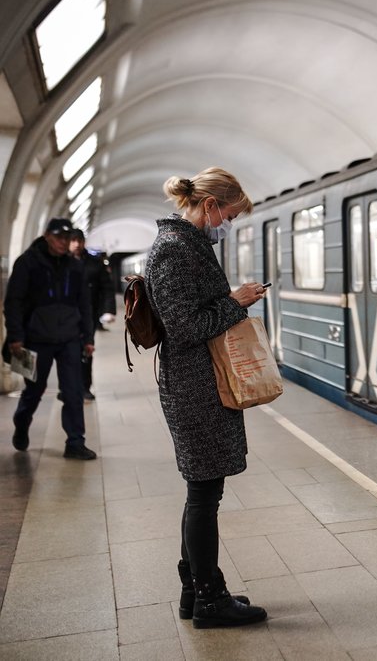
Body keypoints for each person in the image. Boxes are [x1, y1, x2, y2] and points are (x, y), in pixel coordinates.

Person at [144, 167, 267, 629]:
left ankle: (195, 592)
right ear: (210, 206)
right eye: (230, 215)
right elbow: (185, 328)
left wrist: (232, 301)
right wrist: (236, 302)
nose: (228, 224)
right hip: (195, 386)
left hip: (201, 382)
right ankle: (209, 600)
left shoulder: (187, 246)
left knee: (203, 490)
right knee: (203, 494)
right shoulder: (175, 251)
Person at [4, 218, 96, 459]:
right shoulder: (27, 263)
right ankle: (21, 422)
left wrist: (88, 337)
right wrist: (15, 336)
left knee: (74, 391)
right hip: (36, 339)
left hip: (69, 339)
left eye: (67, 238)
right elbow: (13, 302)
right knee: (34, 389)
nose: (64, 243)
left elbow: (84, 304)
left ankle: (75, 442)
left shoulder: (75, 267)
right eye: (59, 237)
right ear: (47, 236)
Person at [69, 229, 116, 400]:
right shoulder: (60, 262)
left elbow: (107, 288)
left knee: (86, 350)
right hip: (65, 317)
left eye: (79, 241)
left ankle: (84, 387)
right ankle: (69, 386)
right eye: (73, 240)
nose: (76, 244)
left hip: (88, 315)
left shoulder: (94, 263)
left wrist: (108, 310)